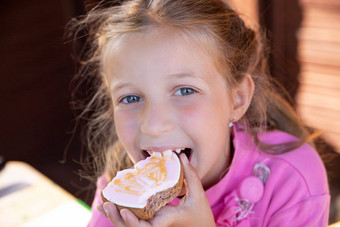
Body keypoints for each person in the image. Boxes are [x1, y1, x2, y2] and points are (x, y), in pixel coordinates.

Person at [70, 0, 330, 226]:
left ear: (236, 99)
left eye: (184, 91)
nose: (153, 125)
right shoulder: (121, 189)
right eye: (131, 98)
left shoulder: (292, 179)